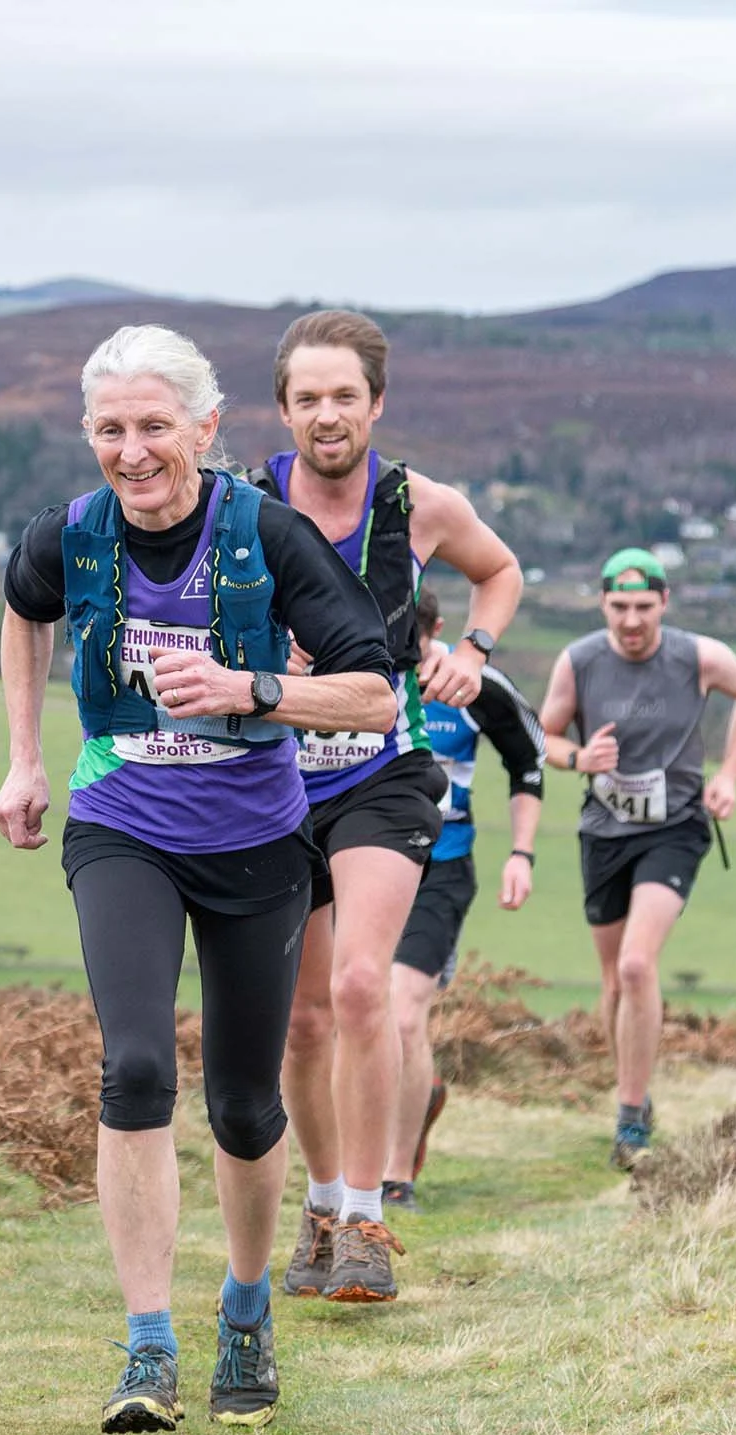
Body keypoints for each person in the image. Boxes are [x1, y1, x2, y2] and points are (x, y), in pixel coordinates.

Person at [0, 324, 397, 1434]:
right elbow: (22, 610)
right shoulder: (68, 535)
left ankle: (247, 1308)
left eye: (154, 426)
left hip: (255, 843)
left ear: (206, 428)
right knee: (132, 1069)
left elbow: (373, 696)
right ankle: (148, 1342)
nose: (132, 451)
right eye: (110, 429)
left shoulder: (267, 533)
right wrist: (26, 759)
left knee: (244, 1102)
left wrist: (248, 688)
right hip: (120, 825)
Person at [250, 311, 523, 1304]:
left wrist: (473, 653)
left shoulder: (420, 504)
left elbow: (500, 572)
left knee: (364, 985)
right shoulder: (243, 506)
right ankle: (322, 1204)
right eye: (308, 398)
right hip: (274, 781)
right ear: (284, 412)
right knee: (301, 1020)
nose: (328, 414)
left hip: (381, 773)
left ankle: (367, 1219)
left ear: (376, 405)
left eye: (345, 396)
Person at [538, 548, 736, 1169]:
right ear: (602, 604)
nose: (632, 620)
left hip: (675, 828)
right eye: (620, 606)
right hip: (604, 832)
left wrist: (729, 774)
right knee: (614, 979)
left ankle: (630, 1116)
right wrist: (578, 759)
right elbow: (542, 736)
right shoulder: (580, 661)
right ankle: (632, 1090)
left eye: (644, 606)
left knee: (638, 965)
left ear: (665, 602)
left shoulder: (699, 657)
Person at [381, 585, 548, 1209]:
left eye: (416, 646)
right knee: (356, 1013)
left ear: (438, 632)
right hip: (363, 865)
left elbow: (529, 761)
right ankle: (394, 1117)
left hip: (442, 867)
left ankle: (396, 1177)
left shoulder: (475, 686)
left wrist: (522, 854)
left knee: (405, 1013)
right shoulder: (352, 670)